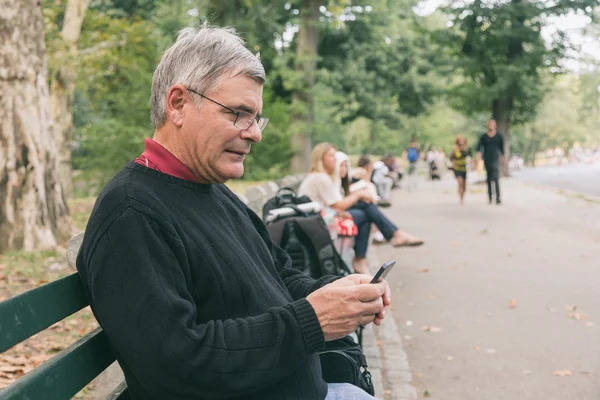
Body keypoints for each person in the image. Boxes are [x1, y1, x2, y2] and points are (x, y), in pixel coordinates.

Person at [76, 26, 391, 400]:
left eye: (256, 118)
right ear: (178, 104)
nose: (255, 133)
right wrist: (312, 320)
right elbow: (177, 363)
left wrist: (337, 293)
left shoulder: (211, 191)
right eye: (239, 114)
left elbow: (279, 278)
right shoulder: (131, 212)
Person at [298, 143, 424, 274]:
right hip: (320, 222)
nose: (334, 159)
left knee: (364, 208)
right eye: (331, 156)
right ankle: (367, 254)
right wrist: (359, 194)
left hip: (320, 218)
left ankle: (385, 241)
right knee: (365, 213)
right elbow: (337, 205)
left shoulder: (318, 176)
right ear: (320, 158)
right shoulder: (321, 177)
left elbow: (335, 204)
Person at [477, 119, 505, 204]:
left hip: (496, 159)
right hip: (487, 159)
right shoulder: (484, 136)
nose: (491, 126)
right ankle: (490, 197)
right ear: (488, 125)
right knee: (489, 179)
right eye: (490, 124)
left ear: (495, 125)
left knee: (496, 178)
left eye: (493, 124)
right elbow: (479, 148)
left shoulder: (499, 136)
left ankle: (498, 197)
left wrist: (503, 161)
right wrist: (478, 160)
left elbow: (502, 150)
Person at [450, 135, 473, 205]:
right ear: (457, 141)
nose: (461, 141)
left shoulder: (467, 149)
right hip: (457, 168)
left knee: (464, 186)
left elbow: (471, 157)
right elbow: (451, 158)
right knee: (460, 183)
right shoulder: (455, 149)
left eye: (462, 140)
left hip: (464, 168)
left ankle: (462, 196)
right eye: (460, 140)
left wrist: (473, 165)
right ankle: (461, 199)